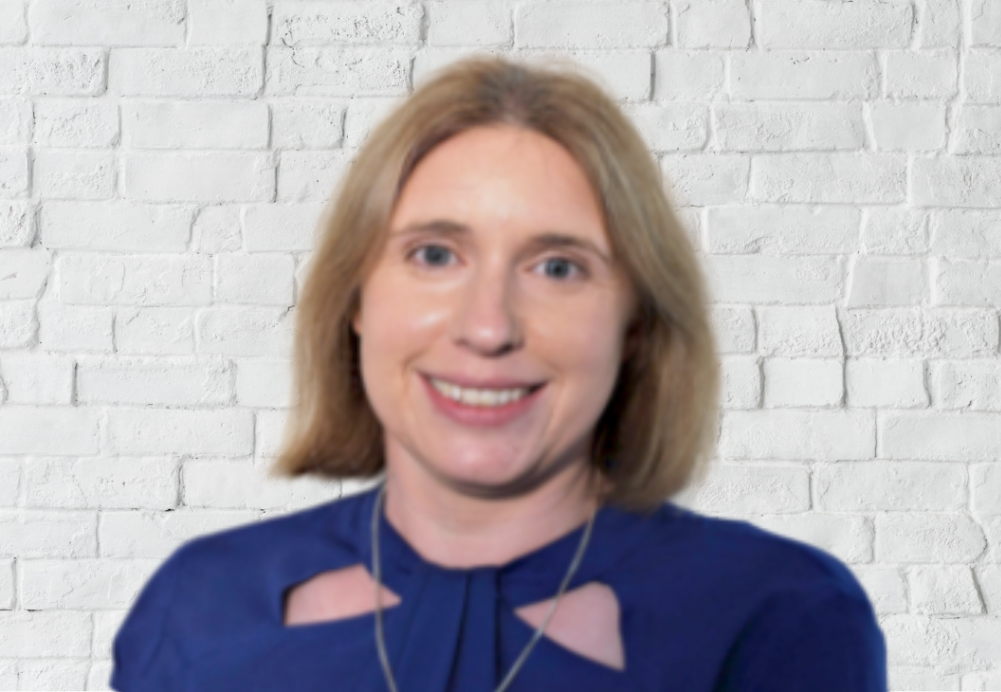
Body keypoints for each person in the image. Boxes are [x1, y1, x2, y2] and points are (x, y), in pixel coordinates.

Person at [110, 56, 887, 692]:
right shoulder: (197, 602)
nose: (488, 327)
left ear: (637, 325)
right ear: (355, 299)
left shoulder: (777, 617)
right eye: (434, 255)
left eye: (558, 267)